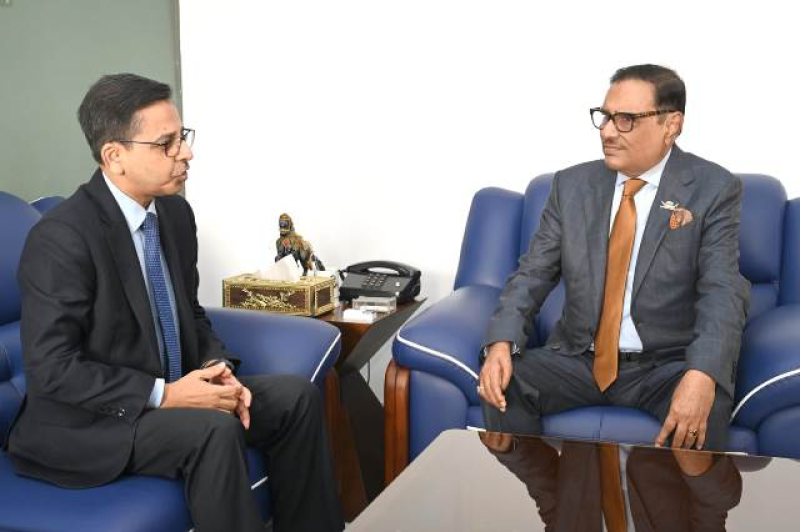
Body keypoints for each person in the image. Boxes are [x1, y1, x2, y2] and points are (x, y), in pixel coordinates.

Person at [7, 73, 343, 532]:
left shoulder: (174, 215)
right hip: (88, 425)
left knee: (295, 398)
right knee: (213, 428)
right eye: (166, 144)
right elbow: (52, 370)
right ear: (115, 156)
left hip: (171, 391)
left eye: (181, 137)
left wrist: (216, 366)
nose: (185, 153)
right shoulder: (62, 238)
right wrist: (165, 395)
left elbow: (191, 314)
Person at [478, 64, 750, 452]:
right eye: (605, 117)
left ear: (671, 125)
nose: (607, 131)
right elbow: (531, 275)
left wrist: (703, 372)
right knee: (504, 381)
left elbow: (722, 291)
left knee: (708, 401)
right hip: (579, 358)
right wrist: (502, 343)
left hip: (664, 365)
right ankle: (548, 504)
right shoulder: (570, 186)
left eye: (626, 120)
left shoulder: (714, 189)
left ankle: (686, 513)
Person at [479, 431, 743, 531]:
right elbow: (718, 503)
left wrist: (511, 450)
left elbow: (546, 488)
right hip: (661, 411)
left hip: (587, 378)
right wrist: (699, 468)